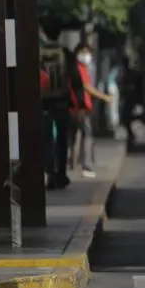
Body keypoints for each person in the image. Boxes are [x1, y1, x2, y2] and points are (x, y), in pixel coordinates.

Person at [39, 25, 81, 190]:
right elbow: (76, 80)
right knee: (62, 140)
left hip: (43, 103)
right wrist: (78, 104)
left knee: (46, 140)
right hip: (62, 102)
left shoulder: (38, 52)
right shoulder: (66, 53)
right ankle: (61, 174)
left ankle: (49, 174)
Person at [68, 42, 113, 179]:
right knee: (87, 136)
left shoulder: (75, 67)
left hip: (73, 107)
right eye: (84, 52)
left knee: (73, 136)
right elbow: (87, 87)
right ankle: (86, 166)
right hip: (80, 108)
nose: (87, 55)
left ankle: (71, 163)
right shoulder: (79, 68)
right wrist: (104, 97)